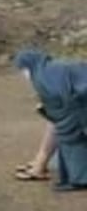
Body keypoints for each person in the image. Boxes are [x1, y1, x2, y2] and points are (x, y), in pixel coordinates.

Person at [14, 50, 87, 190]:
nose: (23, 74)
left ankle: (41, 167)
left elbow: (64, 111)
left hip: (80, 103)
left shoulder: (44, 77)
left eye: (23, 70)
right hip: (78, 102)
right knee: (58, 127)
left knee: (67, 130)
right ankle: (39, 165)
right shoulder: (49, 70)